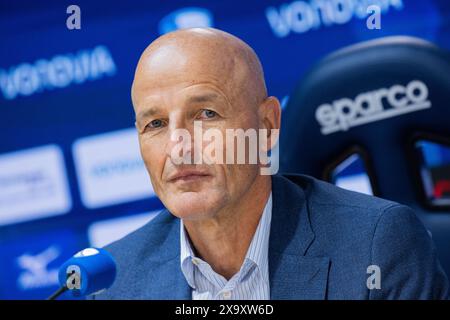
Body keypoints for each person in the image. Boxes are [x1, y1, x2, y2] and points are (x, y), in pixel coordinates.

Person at [93, 28, 448, 300]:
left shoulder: (377, 244)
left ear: (267, 126)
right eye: (155, 124)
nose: (178, 147)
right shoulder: (111, 282)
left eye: (205, 114)